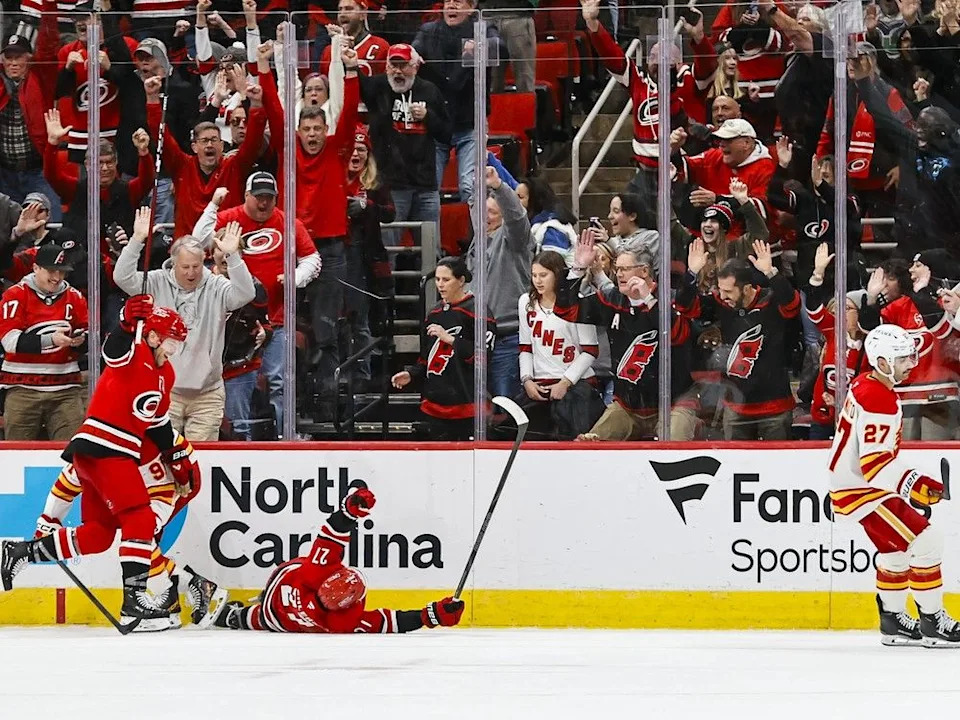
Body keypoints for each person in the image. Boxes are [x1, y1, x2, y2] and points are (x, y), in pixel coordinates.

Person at [0, 297, 199, 633]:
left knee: (99, 536)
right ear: (151, 336)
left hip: (103, 456)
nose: (175, 349)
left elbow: (158, 425)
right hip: (105, 448)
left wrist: (176, 456)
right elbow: (113, 350)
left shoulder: (166, 372)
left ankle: (21, 553)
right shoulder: (133, 354)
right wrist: (124, 320)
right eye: (170, 342)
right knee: (138, 517)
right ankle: (132, 601)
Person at [828, 323, 960, 647]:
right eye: (903, 359)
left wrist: (910, 484)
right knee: (927, 541)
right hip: (863, 492)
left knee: (895, 550)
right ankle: (933, 622)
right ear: (883, 362)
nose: (911, 364)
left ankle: (892, 619)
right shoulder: (878, 398)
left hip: (855, 486)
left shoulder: (867, 384)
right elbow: (875, 466)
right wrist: (916, 485)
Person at [208, 484, 465, 634]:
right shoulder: (343, 623)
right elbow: (390, 622)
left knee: (260, 617)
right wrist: (431, 616)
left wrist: (349, 512)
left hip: (280, 593)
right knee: (258, 620)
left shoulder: (315, 574)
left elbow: (332, 535)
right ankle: (237, 618)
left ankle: (236, 616)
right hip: (277, 619)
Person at [192, 174, 322, 437]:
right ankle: (237, 439)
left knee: (280, 381)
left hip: (278, 317)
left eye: (269, 198)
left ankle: (284, 435)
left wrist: (296, 277)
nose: (263, 203)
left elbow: (312, 258)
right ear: (247, 195)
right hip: (236, 325)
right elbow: (198, 241)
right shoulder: (230, 218)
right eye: (258, 197)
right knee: (237, 382)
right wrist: (213, 205)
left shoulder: (288, 222)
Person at [32, 455, 226, 630]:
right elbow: (64, 488)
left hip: (173, 477)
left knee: (137, 534)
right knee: (133, 535)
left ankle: (179, 590)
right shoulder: (89, 458)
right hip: (146, 476)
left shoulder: (126, 460)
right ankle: (189, 588)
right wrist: (48, 523)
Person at [114, 207, 257, 442]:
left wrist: (233, 257)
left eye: (196, 266)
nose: (191, 273)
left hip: (207, 394)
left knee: (199, 463)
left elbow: (245, 294)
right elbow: (122, 278)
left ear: (203, 261)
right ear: (173, 263)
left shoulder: (217, 285)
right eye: (185, 267)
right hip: (164, 391)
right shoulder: (156, 281)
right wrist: (137, 240)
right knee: (160, 459)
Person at [561, 233, 699, 441]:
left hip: (674, 403)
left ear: (644, 271)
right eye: (617, 269)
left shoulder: (669, 298)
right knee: (587, 445)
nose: (619, 274)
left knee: (674, 446)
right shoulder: (612, 300)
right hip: (628, 406)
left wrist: (648, 300)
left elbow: (677, 335)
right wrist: (578, 268)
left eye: (625, 269)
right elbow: (565, 310)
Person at [687, 241, 801, 440]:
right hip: (736, 407)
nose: (723, 296)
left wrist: (771, 272)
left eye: (729, 291)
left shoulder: (771, 301)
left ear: (747, 288)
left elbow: (792, 304)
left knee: (776, 468)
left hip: (774, 406)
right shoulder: (721, 303)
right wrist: (691, 273)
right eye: (720, 290)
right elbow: (685, 307)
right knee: (735, 466)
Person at [390, 257, 495, 441]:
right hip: (434, 407)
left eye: (446, 280)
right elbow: (425, 359)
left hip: (467, 407)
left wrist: (451, 339)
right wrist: (412, 375)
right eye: (437, 279)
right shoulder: (434, 313)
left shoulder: (478, 312)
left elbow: (483, 357)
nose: (440, 284)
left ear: (461, 280)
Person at [0, 244, 87, 441]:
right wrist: (52, 339)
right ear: (36, 267)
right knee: (17, 454)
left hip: (66, 389)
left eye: (62, 272)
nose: (57, 277)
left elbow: (90, 335)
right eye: (51, 270)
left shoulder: (75, 297)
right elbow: (10, 342)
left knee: (70, 454)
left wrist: (80, 341)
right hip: (22, 389)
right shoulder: (15, 295)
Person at [518, 250, 604, 440]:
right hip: (539, 385)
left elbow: (590, 351)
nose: (538, 281)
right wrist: (527, 380)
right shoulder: (526, 302)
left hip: (576, 386)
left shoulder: (578, 302)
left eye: (543, 275)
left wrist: (565, 382)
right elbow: (525, 346)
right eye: (534, 275)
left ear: (557, 274)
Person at [468, 166, 533, 400]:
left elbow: (517, 217)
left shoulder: (515, 240)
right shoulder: (478, 243)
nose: (485, 217)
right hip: (478, 338)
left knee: (506, 407)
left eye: (492, 212)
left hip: (508, 337)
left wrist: (498, 186)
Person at [0, 9, 63, 218]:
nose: (13, 63)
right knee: (9, 232)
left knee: (51, 224)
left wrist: (48, 7)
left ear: (29, 58)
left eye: (18, 57)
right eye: (8, 57)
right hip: (4, 172)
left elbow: (48, 46)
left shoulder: (41, 78)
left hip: (38, 170)